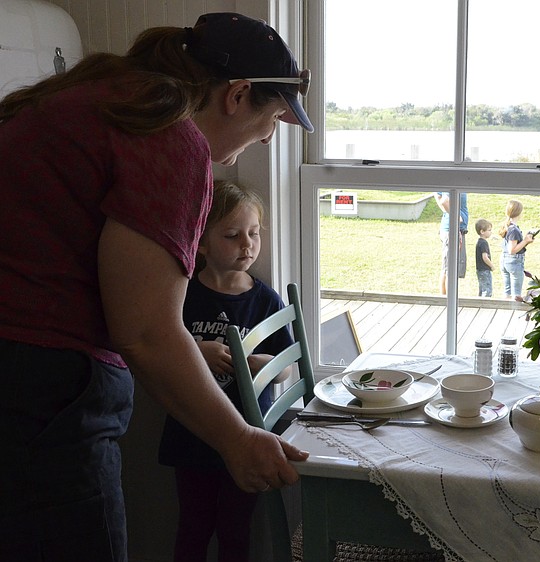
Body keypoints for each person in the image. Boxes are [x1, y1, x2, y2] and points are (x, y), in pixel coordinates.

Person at [0, 13, 311, 562]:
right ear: (237, 95)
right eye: (272, 121)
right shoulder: (168, 134)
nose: (262, 140)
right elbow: (145, 330)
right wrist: (239, 439)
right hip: (39, 389)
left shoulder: (105, 94)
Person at [158, 180, 292, 561]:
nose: (247, 245)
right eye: (233, 236)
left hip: (248, 433)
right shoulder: (183, 293)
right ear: (201, 241)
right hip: (192, 433)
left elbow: (284, 369)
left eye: (254, 234)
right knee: (193, 527)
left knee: (236, 531)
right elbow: (162, 348)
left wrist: (257, 366)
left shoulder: (263, 299)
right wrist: (195, 351)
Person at [499, 200, 535, 301]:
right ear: (519, 213)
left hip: (504, 260)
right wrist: (525, 240)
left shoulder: (508, 226)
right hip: (514, 262)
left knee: (507, 293)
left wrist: (526, 241)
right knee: (516, 295)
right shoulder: (514, 230)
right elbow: (512, 250)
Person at [434, 191, 469, 295]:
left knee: (447, 266)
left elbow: (437, 195)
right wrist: (456, 217)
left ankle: (447, 298)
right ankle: (448, 298)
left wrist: (447, 213)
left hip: (452, 229)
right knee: (449, 268)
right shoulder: (453, 182)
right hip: (452, 230)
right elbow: (444, 201)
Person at [474, 218, 495, 297]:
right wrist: (491, 266)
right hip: (485, 270)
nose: (491, 232)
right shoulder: (484, 243)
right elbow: (485, 257)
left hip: (479, 270)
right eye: (489, 230)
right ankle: (485, 304)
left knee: (482, 288)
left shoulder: (479, 242)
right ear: (482, 231)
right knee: (487, 290)